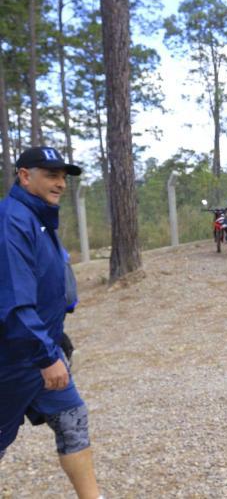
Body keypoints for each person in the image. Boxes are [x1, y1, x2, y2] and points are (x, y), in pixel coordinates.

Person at [0, 147, 102, 499]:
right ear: (25, 176)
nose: (60, 183)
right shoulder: (12, 221)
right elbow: (14, 303)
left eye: (63, 177)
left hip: (40, 351)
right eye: (50, 175)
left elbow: (44, 287)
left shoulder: (40, 217)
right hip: (12, 361)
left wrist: (54, 340)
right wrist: (46, 355)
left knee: (73, 418)